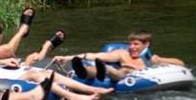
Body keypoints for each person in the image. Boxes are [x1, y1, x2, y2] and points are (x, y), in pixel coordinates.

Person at [54, 30, 186, 82]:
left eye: (136, 44)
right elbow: (95, 55)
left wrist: (160, 60)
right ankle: (84, 71)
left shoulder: (152, 59)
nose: (132, 47)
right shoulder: (123, 54)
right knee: (122, 68)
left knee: (127, 69)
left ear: (146, 44)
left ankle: (103, 69)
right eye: (130, 44)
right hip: (121, 75)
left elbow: (180, 64)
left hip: (144, 78)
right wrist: (67, 58)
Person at [0, 7, 66, 66]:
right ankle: (46, 45)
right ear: (0, 37)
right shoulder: (3, 50)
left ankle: (23, 30)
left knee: (10, 49)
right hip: (9, 73)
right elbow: (9, 48)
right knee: (33, 57)